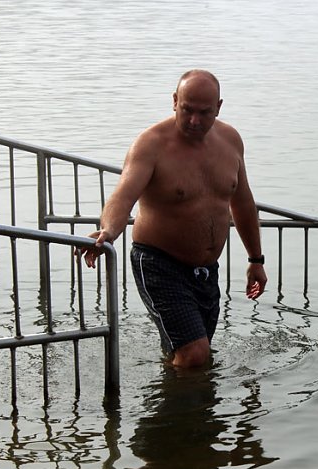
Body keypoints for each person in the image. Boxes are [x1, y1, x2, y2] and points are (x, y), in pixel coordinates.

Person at [79, 69, 267, 368]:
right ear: (174, 101)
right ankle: (174, 410)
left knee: (192, 354)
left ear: (218, 107)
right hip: (158, 263)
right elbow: (123, 196)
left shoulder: (230, 140)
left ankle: (186, 410)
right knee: (195, 354)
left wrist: (256, 260)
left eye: (204, 113)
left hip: (206, 269)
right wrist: (108, 231)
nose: (194, 120)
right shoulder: (151, 144)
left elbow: (242, 202)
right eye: (187, 110)